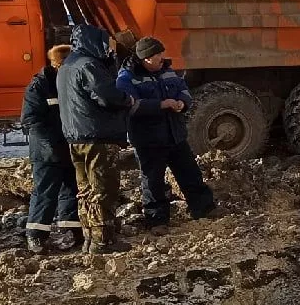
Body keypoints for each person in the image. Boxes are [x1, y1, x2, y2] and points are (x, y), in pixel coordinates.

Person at [116, 36, 216, 227]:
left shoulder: (167, 71)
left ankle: (204, 209)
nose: (162, 58)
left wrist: (182, 102)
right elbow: (130, 106)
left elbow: (183, 89)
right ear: (146, 58)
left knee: (190, 173)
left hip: (174, 135)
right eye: (158, 56)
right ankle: (157, 220)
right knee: (153, 181)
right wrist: (160, 105)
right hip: (148, 140)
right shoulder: (127, 78)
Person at [58, 23, 134, 253]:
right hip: (97, 136)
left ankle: (90, 236)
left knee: (85, 189)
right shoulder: (89, 65)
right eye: (106, 43)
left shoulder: (67, 65)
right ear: (94, 41)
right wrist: (127, 99)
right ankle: (103, 240)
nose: (109, 48)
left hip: (75, 137)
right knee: (103, 186)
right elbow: (106, 95)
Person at [20, 43, 81, 253]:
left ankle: (71, 229)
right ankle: (36, 235)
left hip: (68, 147)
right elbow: (30, 119)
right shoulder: (39, 86)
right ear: (58, 64)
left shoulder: (70, 82)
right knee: (45, 191)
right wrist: (50, 145)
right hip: (47, 152)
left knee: (71, 190)